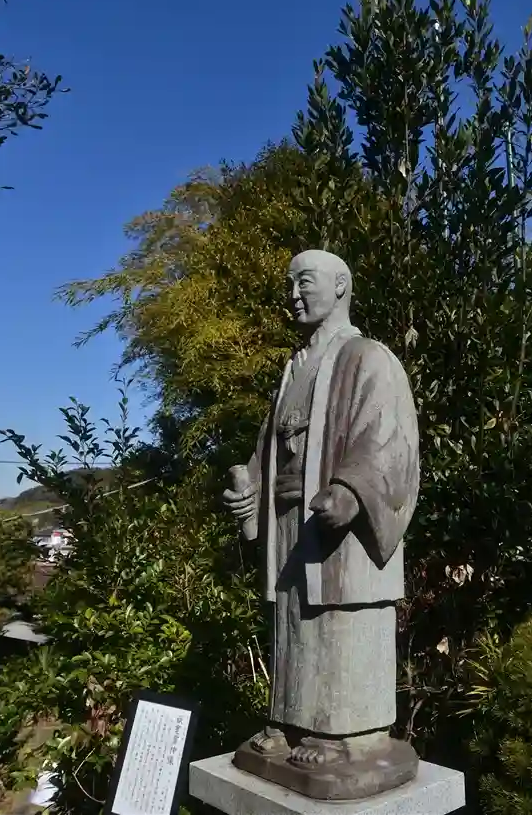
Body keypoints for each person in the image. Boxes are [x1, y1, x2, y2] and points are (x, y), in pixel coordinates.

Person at [221, 249, 421, 797]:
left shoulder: (367, 356)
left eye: (303, 282)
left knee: (337, 622)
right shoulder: (293, 369)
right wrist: (251, 487)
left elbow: (390, 440)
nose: (293, 295)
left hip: (339, 526)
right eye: (289, 284)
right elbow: (269, 447)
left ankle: (343, 734)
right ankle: (290, 722)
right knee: (294, 625)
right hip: (291, 524)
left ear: (339, 286)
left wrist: (351, 492)